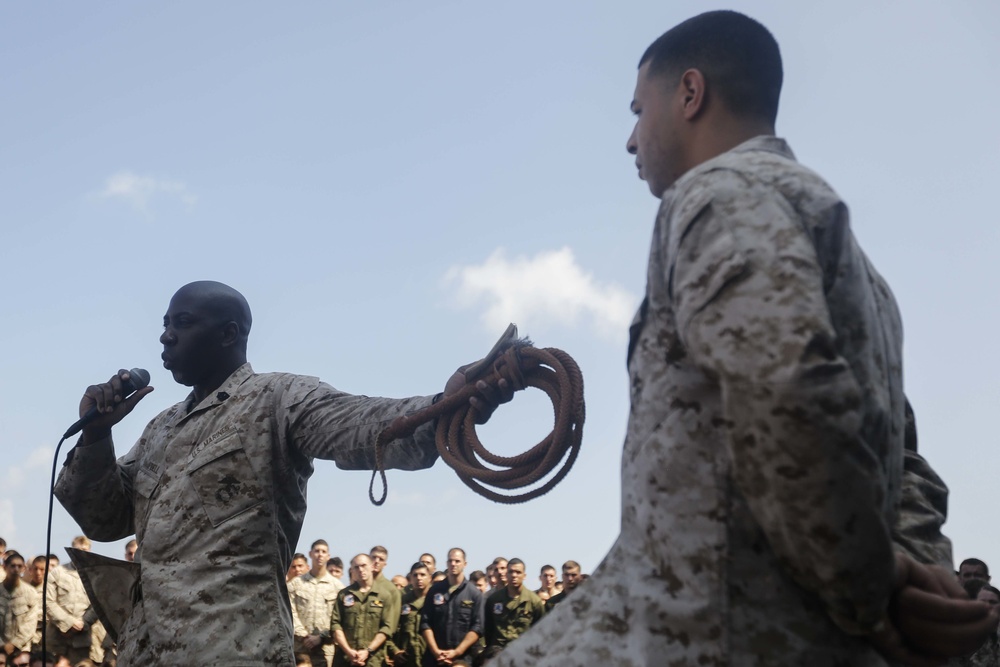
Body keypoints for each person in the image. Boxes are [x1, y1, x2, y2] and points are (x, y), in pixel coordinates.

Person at [494, 10, 997, 666]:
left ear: (691, 94)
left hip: (707, 634)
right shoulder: (861, 272)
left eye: (638, 109)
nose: (630, 139)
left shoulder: (715, 194)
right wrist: (914, 573)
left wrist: (881, 585)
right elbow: (904, 469)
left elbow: (784, 384)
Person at [53, 280, 509, 666]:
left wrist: (445, 408)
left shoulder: (277, 399)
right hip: (145, 652)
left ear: (229, 334)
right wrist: (95, 436)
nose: (166, 338)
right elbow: (105, 520)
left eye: (183, 323)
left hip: (232, 651)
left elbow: (360, 423)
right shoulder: (160, 428)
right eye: (165, 325)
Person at [420, 548, 484, 667]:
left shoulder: (474, 594)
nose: (453, 564)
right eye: (450, 561)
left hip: (463, 658)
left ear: (465, 564)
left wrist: (457, 651)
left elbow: (477, 628)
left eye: (457, 561)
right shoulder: (434, 591)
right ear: (446, 563)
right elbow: (425, 623)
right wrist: (435, 651)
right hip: (435, 659)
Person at [289, 539, 344, 667]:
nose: (320, 554)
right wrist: (303, 636)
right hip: (300, 648)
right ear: (310, 554)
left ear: (328, 556)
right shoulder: (296, 584)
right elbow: (289, 611)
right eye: (317, 551)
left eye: (323, 552)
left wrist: (321, 637)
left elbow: (340, 619)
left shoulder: (338, 587)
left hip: (325, 649)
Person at [330, 554, 391, 667]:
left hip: (373, 661)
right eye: (356, 567)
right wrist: (349, 651)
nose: (360, 570)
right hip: (345, 659)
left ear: (372, 566)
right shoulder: (343, 595)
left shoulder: (384, 596)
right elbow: (335, 625)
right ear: (352, 570)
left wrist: (368, 651)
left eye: (364, 565)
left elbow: (386, 628)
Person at [483, 558, 544, 656]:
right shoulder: (494, 599)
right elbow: (488, 630)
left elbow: (540, 632)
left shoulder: (534, 601)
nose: (514, 575)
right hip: (498, 655)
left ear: (524, 576)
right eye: (510, 572)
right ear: (506, 574)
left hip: (523, 654)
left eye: (518, 572)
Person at [387, 561, 432, 667]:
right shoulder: (402, 601)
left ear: (429, 578)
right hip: (406, 660)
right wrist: (395, 651)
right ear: (410, 578)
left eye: (422, 575)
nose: (419, 578)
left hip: (429, 659)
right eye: (415, 575)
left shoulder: (435, 601)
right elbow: (389, 629)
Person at [1, 552, 40, 657]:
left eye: (19, 566)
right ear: (5, 567)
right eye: (12, 566)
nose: (16, 569)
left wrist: (14, 644)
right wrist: (2, 645)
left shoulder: (30, 593)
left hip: (21, 649)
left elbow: (31, 623)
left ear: (24, 568)